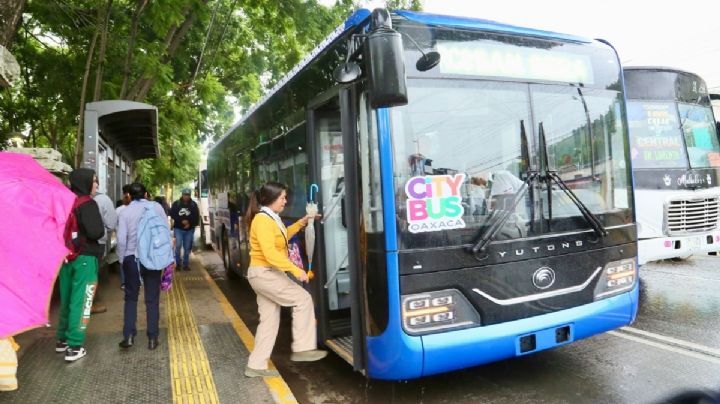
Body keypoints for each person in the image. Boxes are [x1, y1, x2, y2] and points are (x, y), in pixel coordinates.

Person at [243, 182, 326, 378]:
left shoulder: (271, 219)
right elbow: (270, 252)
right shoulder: (262, 220)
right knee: (303, 299)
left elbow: (282, 238)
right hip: (265, 273)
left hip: (265, 273)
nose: (285, 201)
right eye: (283, 198)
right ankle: (303, 349)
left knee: (269, 321)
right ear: (272, 199)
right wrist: (295, 270)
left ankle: (255, 365)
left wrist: (303, 222)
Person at [56, 168, 105, 362]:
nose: (96, 185)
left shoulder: (64, 201)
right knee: (82, 301)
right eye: (94, 181)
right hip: (85, 258)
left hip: (66, 258)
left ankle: (62, 340)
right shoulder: (87, 203)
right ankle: (75, 346)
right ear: (85, 183)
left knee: (67, 299)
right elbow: (96, 233)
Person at [116, 182, 170, 350]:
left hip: (132, 259)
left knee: (131, 298)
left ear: (129, 196)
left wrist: (122, 260)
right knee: (152, 299)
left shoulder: (125, 212)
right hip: (153, 258)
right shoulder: (157, 208)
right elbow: (165, 232)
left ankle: (129, 336)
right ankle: (152, 339)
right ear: (146, 194)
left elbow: (121, 240)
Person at [90, 187, 118, 314]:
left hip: (74, 246)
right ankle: (92, 303)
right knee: (92, 274)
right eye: (94, 181)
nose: (95, 185)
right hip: (95, 244)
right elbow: (111, 224)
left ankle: (89, 302)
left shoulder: (72, 197)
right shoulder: (102, 199)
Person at [170, 188, 200, 271]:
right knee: (178, 245)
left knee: (187, 247)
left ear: (190, 196)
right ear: (182, 195)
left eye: (188, 195)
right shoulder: (176, 204)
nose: (186, 197)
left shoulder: (193, 205)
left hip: (189, 230)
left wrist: (189, 223)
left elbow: (196, 217)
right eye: (185, 195)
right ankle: (178, 263)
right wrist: (181, 221)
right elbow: (172, 214)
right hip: (178, 229)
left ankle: (186, 264)